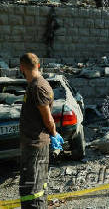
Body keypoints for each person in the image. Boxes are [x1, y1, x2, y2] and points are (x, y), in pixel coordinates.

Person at [19, 53, 64, 209]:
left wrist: (54, 134)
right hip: (32, 145)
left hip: (36, 146)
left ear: (22, 68)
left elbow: (48, 118)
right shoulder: (35, 84)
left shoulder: (38, 86)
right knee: (31, 185)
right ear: (38, 65)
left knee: (33, 188)